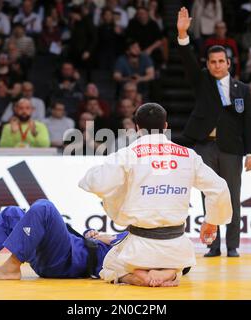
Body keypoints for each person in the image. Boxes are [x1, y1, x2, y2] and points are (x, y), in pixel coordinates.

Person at [79, 103, 232, 287]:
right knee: (179, 261)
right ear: (166, 126)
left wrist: (116, 192)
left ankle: (139, 275)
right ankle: (171, 273)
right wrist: (211, 221)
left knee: (108, 266)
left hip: (139, 247)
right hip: (176, 247)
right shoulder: (188, 155)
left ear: (137, 128)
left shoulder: (128, 154)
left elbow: (97, 183)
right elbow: (220, 187)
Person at [177, 7, 251, 258]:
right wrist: (182, 35)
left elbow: (250, 123)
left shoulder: (241, 89)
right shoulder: (201, 81)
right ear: (208, 65)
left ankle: (232, 246)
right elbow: (188, 61)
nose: (217, 65)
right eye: (212, 62)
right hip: (204, 147)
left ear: (229, 63)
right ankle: (213, 245)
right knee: (209, 198)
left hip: (232, 150)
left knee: (233, 198)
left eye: (221, 61)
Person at [0, 199, 129, 280]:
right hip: (60, 252)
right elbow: (95, 240)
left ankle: (11, 267)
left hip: (68, 262)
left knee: (44, 208)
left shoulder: (141, 243)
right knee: (11, 213)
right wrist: (92, 233)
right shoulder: (131, 234)